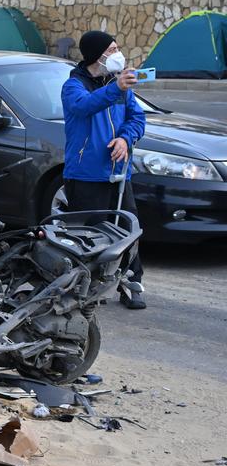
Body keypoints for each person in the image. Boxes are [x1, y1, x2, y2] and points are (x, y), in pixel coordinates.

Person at [61, 30, 147, 309]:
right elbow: (85, 106)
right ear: (97, 55)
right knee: (88, 237)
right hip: (86, 175)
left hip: (119, 173)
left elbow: (137, 118)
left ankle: (131, 284)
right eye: (113, 49)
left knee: (128, 230)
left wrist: (125, 138)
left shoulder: (119, 85)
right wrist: (116, 89)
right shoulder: (74, 85)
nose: (118, 53)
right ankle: (85, 288)